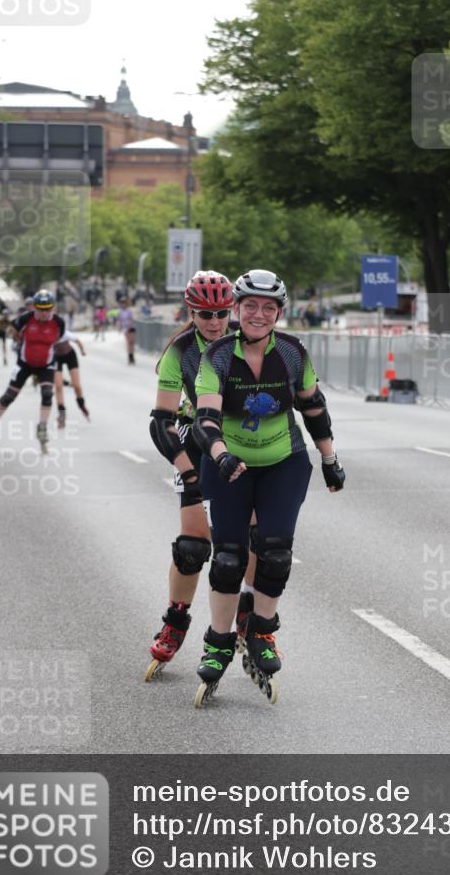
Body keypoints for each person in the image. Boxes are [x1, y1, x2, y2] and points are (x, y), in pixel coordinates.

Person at [191, 269, 345, 707]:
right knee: (228, 558)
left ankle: (261, 631)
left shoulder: (293, 352)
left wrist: (330, 459)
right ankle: (219, 641)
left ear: (279, 313)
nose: (259, 315)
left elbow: (313, 406)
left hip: (283, 462)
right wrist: (221, 455)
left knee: (275, 551)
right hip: (229, 465)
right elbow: (205, 420)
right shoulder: (218, 356)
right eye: (250, 306)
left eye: (269, 308)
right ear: (236, 310)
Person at [145, 270, 254, 680]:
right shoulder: (181, 352)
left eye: (222, 312)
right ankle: (175, 622)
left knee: (252, 541)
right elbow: (161, 423)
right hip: (196, 442)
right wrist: (187, 472)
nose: (214, 321)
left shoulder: (249, 342)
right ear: (190, 311)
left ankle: (246, 610)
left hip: (243, 441)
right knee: (192, 548)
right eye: (205, 313)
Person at [0, 289, 65, 454]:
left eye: (47, 309)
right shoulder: (26, 318)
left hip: (46, 364)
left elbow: (59, 338)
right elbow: (11, 330)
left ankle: (42, 427)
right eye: (40, 309)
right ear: (34, 308)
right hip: (25, 363)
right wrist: (16, 336)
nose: (44, 313)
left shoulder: (58, 322)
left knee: (46, 393)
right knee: (9, 396)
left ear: (52, 308)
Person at [53, 327, 89, 428]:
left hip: (70, 356)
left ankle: (81, 405)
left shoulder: (65, 333)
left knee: (76, 385)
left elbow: (78, 341)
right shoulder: (48, 333)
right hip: (56, 358)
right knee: (58, 386)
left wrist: (82, 351)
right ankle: (62, 414)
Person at [117, 297, 136, 364]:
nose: (123, 304)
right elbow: (120, 320)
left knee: (132, 342)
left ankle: (132, 354)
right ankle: (129, 356)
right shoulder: (120, 312)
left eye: (124, 303)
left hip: (131, 327)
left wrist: (129, 327)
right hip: (125, 328)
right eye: (122, 303)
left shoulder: (129, 311)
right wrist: (119, 327)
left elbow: (130, 319)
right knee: (128, 342)